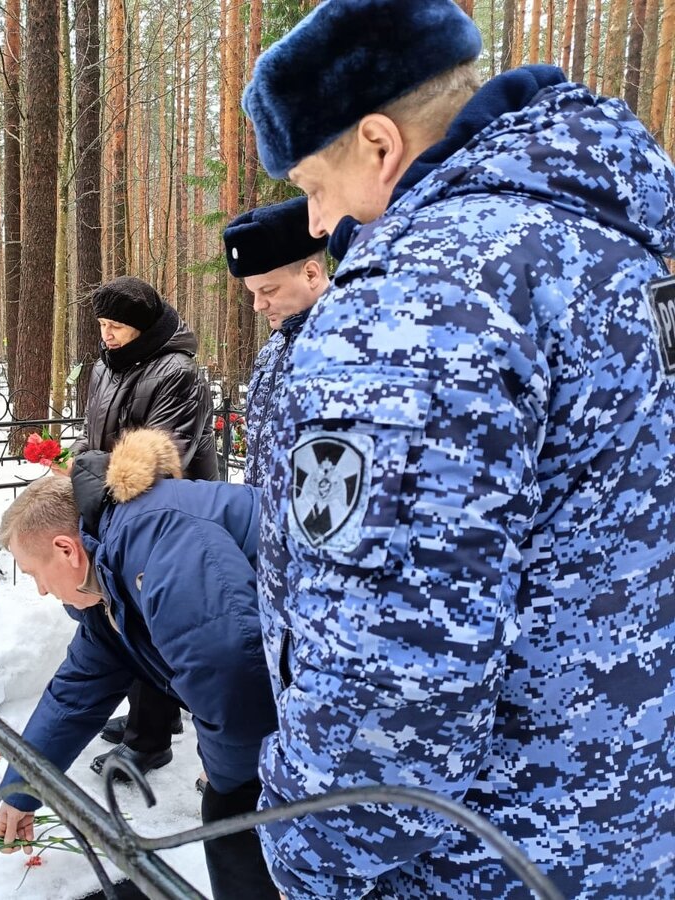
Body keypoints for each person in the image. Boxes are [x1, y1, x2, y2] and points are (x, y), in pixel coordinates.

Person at [240, 1, 675, 897]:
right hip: (633, 824)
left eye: (314, 184)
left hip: (488, 857)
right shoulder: (625, 248)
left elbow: (391, 674)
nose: (316, 220)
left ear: (378, 142)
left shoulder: (418, 299)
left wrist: (306, 855)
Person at [0, 429, 279, 899]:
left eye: (33, 573)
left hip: (362, 674)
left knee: (234, 818)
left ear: (66, 549)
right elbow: (76, 693)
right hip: (303, 686)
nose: (40, 590)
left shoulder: (158, 545)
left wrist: (232, 786)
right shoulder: (108, 573)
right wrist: (20, 790)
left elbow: (233, 678)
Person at [64, 275, 218, 781]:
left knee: (149, 619)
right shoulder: (107, 366)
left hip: (164, 509)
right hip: (114, 504)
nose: (106, 335)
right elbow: (97, 434)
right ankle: (157, 714)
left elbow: (165, 450)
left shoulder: (179, 373)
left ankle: (148, 744)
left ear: (143, 326)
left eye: (116, 327)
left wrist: (94, 476)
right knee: (124, 611)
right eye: (102, 325)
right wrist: (78, 463)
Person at [222, 197, 329, 489]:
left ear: (311, 274)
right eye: (253, 293)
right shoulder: (273, 347)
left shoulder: (343, 345)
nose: (257, 305)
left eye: (268, 290)